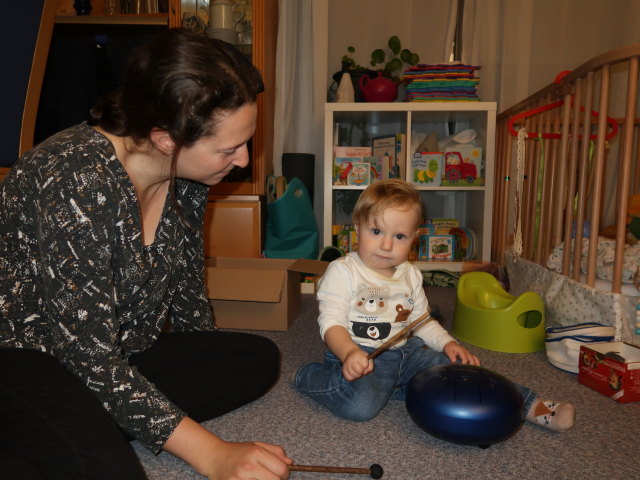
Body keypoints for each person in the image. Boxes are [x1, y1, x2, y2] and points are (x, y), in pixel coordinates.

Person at [0, 29, 292, 480]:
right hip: (27, 356)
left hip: (115, 351)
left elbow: (188, 286)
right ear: (166, 139)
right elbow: (86, 357)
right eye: (228, 148)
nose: (242, 159)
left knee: (254, 358)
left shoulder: (189, 178)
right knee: (107, 470)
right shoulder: (73, 181)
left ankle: (87, 422)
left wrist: (205, 349)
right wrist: (211, 453)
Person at [295, 179, 575, 433]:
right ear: (357, 226)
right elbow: (330, 322)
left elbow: (422, 321)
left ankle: (533, 405)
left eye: (400, 236)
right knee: (361, 408)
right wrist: (348, 353)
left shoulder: (411, 275)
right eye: (377, 230)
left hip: (408, 352)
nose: (386, 244)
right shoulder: (343, 271)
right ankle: (309, 377)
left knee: (459, 370)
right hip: (362, 353)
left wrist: (447, 344)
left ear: (413, 238)